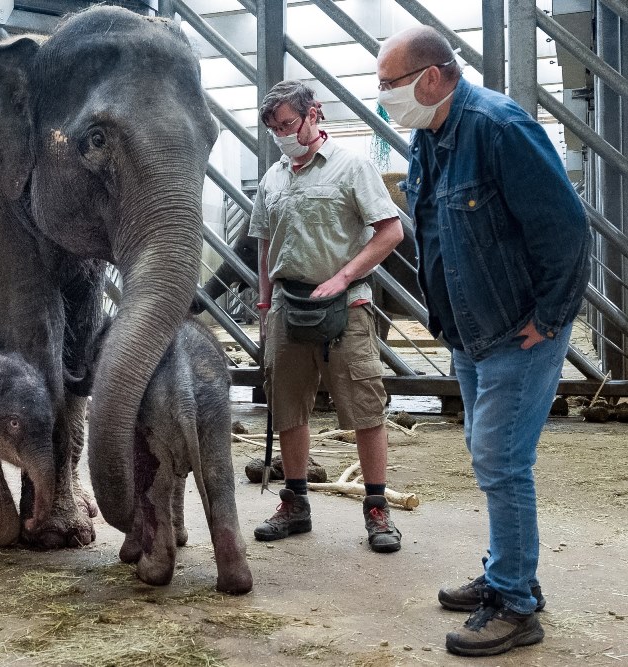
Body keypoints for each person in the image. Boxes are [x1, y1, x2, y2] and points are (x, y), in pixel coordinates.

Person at [376, 26, 591, 658]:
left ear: (434, 77)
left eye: (391, 83)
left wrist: (550, 316)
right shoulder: (429, 135)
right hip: (469, 330)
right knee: (488, 452)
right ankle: (510, 570)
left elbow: (567, 228)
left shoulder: (498, 127)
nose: (384, 95)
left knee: (501, 461)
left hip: (516, 330)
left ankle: (516, 604)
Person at [248, 80, 404, 554]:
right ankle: (294, 503)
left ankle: (377, 510)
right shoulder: (272, 179)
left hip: (345, 305)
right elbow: (265, 245)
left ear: (314, 114)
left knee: (363, 405)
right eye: (274, 129)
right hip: (287, 308)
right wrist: (264, 300)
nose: (282, 135)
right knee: (288, 405)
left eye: (289, 124)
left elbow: (390, 231)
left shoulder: (352, 166)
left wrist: (341, 278)